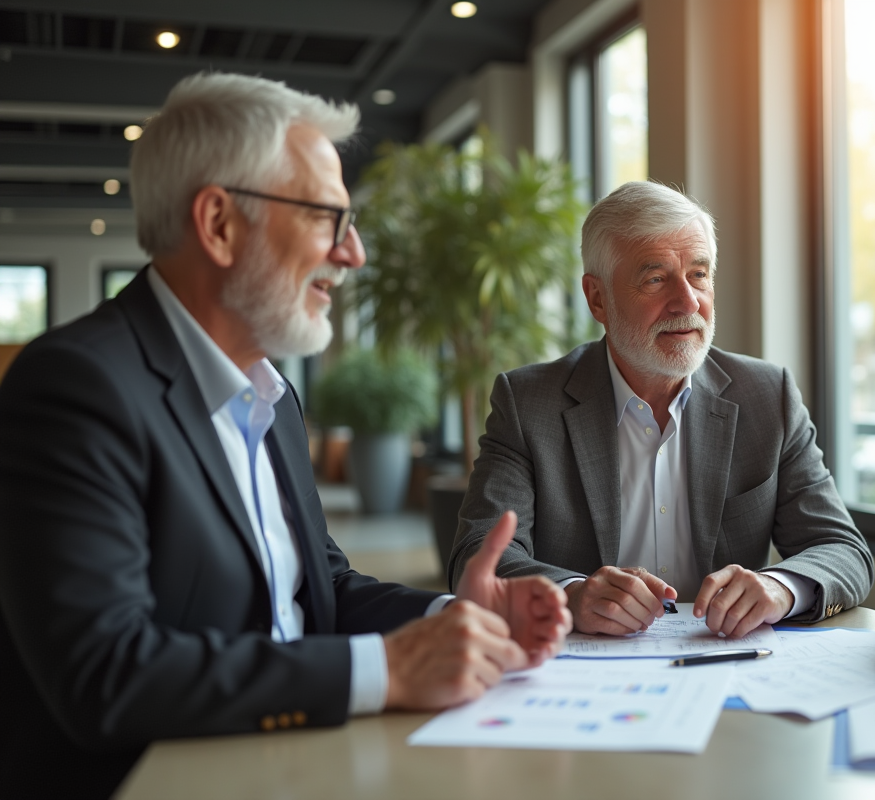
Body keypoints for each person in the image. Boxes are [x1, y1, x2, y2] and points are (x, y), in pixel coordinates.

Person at [0, 72, 570, 799]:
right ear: (219, 224)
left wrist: (459, 615)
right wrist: (392, 670)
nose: (353, 253)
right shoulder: (77, 387)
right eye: (328, 218)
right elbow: (106, 673)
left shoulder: (272, 396)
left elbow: (318, 589)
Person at [449, 181, 873, 639]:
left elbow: (841, 548)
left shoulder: (767, 396)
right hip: (585, 671)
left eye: (699, 274)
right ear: (598, 298)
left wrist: (778, 586)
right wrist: (571, 595)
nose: (688, 302)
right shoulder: (529, 403)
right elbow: (478, 557)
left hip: (727, 665)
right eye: (655, 278)